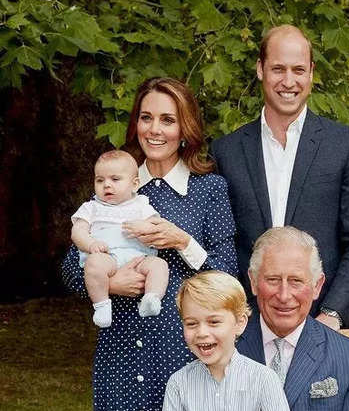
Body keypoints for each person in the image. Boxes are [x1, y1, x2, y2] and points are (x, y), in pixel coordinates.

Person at [62, 77, 238, 411]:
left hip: (186, 355)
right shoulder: (114, 185)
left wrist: (183, 241)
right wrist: (110, 284)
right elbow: (71, 268)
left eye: (167, 120)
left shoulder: (209, 189)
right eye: (146, 118)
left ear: (185, 128)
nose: (154, 129)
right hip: (121, 356)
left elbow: (228, 275)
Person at [211, 24, 349, 330]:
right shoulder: (226, 151)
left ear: (311, 72)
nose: (289, 81)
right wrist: (241, 312)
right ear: (260, 69)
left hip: (326, 323)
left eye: (298, 69)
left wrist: (333, 313)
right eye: (278, 69)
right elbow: (223, 242)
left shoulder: (345, 145)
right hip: (248, 326)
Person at [236, 226, 349, 411]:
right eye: (273, 280)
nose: (284, 295)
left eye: (296, 281)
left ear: (317, 286)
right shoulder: (226, 347)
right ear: (253, 282)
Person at [163, 270, 289, 411]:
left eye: (214, 322)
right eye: (191, 324)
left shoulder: (264, 380)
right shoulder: (179, 383)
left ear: (240, 323)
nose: (202, 333)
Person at [71, 150, 167, 327]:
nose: (106, 185)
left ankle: (152, 298)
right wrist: (91, 244)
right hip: (107, 258)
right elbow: (78, 232)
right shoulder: (91, 207)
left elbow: (157, 227)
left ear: (134, 184)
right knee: (93, 265)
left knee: (160, 265)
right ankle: (101, 305)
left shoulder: (142, 205)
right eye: (100, 180)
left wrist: (146, 227)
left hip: (139, 258)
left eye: (115, 179)